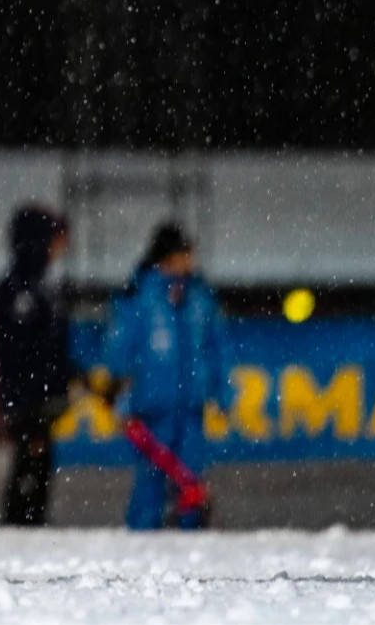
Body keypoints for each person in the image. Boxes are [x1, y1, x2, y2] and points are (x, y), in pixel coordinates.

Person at [98, 222, 227, 530]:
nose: (190, 262)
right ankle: (144, 535)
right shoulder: (141, 296)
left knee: (190, 474)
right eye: (185, 254)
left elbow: (216, 347)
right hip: (154, 402)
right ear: (169, 256)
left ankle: (191, 536)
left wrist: (221, 391)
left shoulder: (199, 297)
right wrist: (121, 392)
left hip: (191, 402)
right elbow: (120, 347)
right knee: (153, 474)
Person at [0, 205, 71, 525]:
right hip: (30, 399)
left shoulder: (38, 285)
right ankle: (21, 529)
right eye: (56, 239)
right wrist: (28, 401)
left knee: (36, 467)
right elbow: (22, 352)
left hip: (36, 396)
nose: (61, 248)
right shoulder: (23, 289)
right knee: (30, 467)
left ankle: (26, 526)